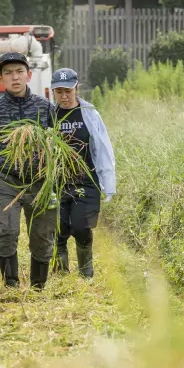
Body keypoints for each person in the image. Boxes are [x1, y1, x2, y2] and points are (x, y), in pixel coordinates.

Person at [0, 52, 55, 290]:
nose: (14, 77)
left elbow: (58, 146)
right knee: (7, 232)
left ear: (29, 75)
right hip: (6, 180)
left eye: (19, 72)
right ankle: (11, 285)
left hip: (39, 181)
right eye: (8, 73)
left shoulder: (45, 107)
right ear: (1, 79)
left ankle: (39, 286)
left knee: (41, 235)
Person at [50, 67, 116, 278]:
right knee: (58, 229)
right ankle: (61, 274)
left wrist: (109, 182)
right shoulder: (49, 116)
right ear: (53, 92)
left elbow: (104, 149)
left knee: (81, 228)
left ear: (76, 88)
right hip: (58, 184)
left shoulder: (89, 114)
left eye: (68, 91)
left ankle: (86, 273)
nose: (64, 96)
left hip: (86, 181)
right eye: (59, 92)